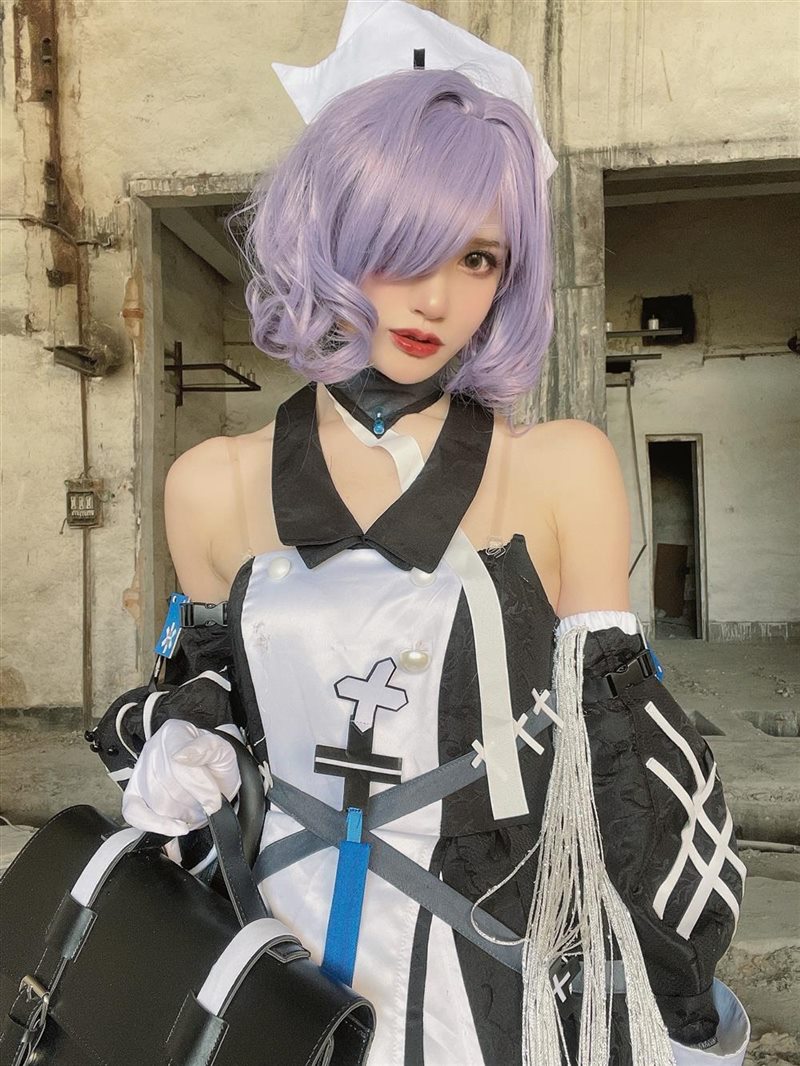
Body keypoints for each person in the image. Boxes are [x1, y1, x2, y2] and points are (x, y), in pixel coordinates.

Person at [89, 6, 749, 1064]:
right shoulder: (210, 484)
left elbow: (618, 752)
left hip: (491, 966)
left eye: (478, 257)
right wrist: (183, 740)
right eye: (399, 245)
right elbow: (213, 688)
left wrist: (660, 990)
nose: (436, 297)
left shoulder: (560, 467)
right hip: (276, 946)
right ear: (327, 234)